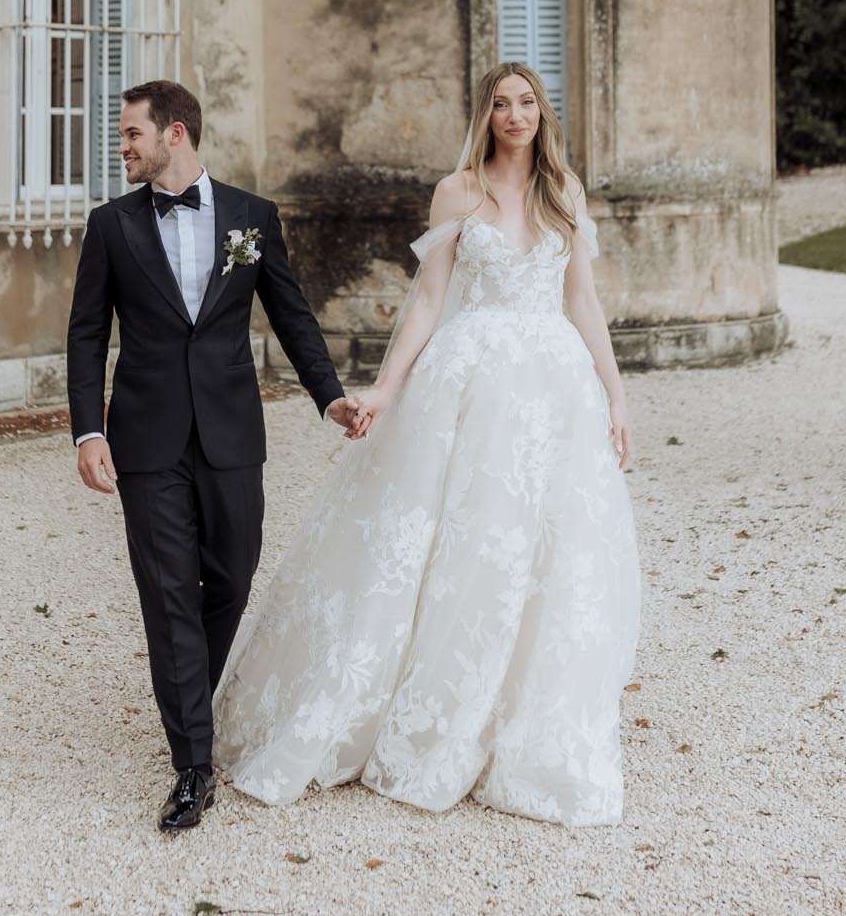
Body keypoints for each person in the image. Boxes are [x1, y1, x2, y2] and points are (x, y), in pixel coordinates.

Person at [213, 61, 642, 826]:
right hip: (467, 382)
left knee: (544, 546)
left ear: (542, 114)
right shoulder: (457, 191)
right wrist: (383, 387)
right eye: (502, 104)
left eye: (527, 104)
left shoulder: (565, 191)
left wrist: (614, 394)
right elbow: (428, 302)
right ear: (485, 115)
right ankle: (426, 708)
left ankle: (519, 713)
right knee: (453, 539)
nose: (515, 115)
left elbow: (582, 299)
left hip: (552, 389)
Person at [66, 79, 365, 834]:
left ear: (175, 134)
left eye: (132, 133)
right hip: (145, 437)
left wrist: (327, 395)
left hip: (231, 432)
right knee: (169, 593)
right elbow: (86, 335)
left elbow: (291, 315)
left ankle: (191, 694)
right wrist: (87, 430)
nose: (122, 146)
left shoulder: (250, 217)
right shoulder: (111, 225)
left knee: (231, 576)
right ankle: (193, 764)